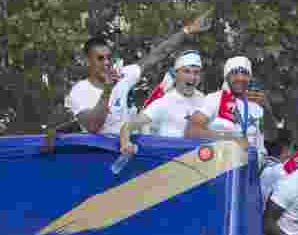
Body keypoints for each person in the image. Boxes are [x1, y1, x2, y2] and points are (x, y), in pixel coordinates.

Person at [64, 14, 209, 135]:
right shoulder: (79, 90)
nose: (107, 62)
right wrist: (108, 90)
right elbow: (93, 126)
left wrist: (187, 30)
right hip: (100, 157)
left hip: (128, 151)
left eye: (109, 57)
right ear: (87, 61)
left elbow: (157, 54)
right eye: (100, 58)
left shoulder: (123, 75)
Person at [119, 50, 210, 152]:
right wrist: (126, 144)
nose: (192, 77)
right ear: (176, 74)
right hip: (168, 162)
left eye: (196, 72)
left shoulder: (204, 100)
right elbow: (127, 127)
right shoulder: (164, 102)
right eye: (186, 71)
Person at [185, 56, 267, 154]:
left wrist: (266, 108)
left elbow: (271, 136)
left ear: (249, 78)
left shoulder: (256, 102)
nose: (240, 78)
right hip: (223, 163)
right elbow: (191, 131)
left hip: (256, 162)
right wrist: (231, 139)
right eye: (235, 73)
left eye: (245, 73)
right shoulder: (214, 99)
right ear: (226, 76)